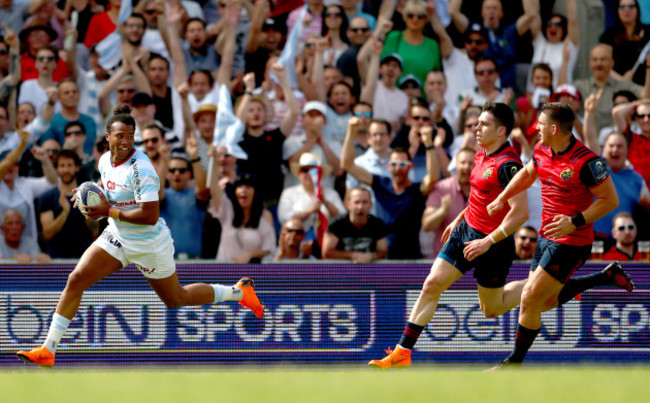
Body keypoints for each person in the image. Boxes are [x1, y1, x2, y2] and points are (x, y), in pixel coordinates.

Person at [16, 104, 264, 368]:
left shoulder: (142, 169)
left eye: (130, 136)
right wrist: (89, 191)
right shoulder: (103, 161)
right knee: (75, 279)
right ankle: (48, 349)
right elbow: (109, 186)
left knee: (175, 299)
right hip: (118, 236)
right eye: (120, 136)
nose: (125, 141)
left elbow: (150, 215)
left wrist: (107, 209)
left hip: (149, 243)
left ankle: (239, 292)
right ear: (107, 138)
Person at [367, 102, 528, 368]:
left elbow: (520, 213)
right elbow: (479, 196)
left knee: (492, 309)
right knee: (432, 284)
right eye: (476, 123)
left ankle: (542, 282)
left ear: (501, 131)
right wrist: (459, 217)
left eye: (484, 124)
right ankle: (402, 353)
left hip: (493, 244)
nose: (477, 128)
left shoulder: (509, 165)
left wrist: (487, 241)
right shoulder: (482, 153)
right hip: (466, 231)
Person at [487, 103, 634, 368]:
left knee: (530, 297)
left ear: (554, 128)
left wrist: (574, 221)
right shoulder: (543, 149)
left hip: (572, 242)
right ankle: (605, 276)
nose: (537, 128)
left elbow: (610, 200)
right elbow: (528, 173)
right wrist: (502, 197)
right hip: (546, 237)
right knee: (544, 302)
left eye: (540, 124)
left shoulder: (587, 162)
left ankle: (514, 364)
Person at [342, 115, 439, 260]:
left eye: (402, 165)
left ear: (410, 166)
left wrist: (429, 144)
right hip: (381, 256)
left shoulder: (416, 190)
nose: (398, 169)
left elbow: (432, 177)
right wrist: (351, 131)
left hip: (410, 258)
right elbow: (347, 165)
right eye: (394, 165)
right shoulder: (380, 183)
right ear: (388, 166)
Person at [37, 150, 96, 259]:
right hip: (56, 260)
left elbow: (95, 231)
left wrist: (88, 212)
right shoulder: (47, 197)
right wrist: (65, 212)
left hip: (83, 260)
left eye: (69, 165)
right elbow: (47, 234)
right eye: (62, 166)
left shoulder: (88, 196)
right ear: (57, 169)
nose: (66, 170)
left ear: (77, 167)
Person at [421, 147, 475, 258]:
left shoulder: (485, 191)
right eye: (463, 162)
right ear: (456, 165)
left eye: (471, 163)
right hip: (445, 261)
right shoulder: (442, 188)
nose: (466, 167)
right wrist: (442, 211)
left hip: (475, 261)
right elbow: (427, 225)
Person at [322, 187, 388, 263]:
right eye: (357, 202)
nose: (360, 207)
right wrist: (353, 255)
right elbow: (327, 253)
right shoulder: (336, 224)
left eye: (365, 202)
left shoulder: (377, 224)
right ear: (348, 204)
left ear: (371, 205)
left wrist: (371, 256)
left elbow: (383, 251)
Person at [599, 0, 650, 83]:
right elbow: (603, 64)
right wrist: (622, 80)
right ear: (618, 11)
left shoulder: (648, 32)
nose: (627, 10)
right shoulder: (608, 36)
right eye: (622, 7)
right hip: (618, 85)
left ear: (637, 10)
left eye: (631, 6)